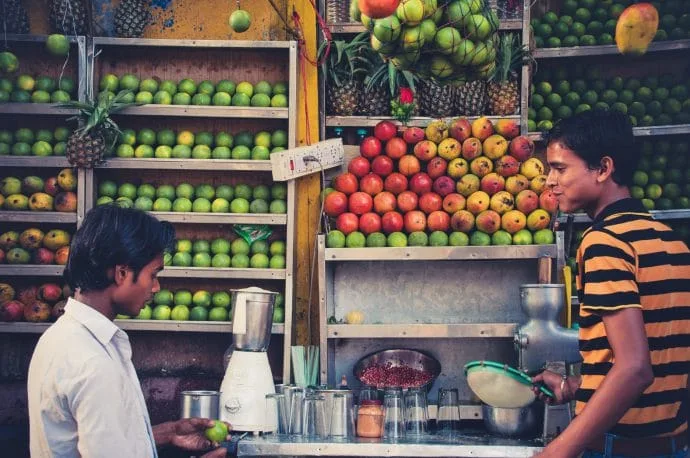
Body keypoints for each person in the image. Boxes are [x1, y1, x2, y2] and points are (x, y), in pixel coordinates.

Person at [531, 110, 690, 458]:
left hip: (619, 450)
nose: (548, 181)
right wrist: (576, 387)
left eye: (560, 169)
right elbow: (661, 358)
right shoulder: (672, 243)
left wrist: (557, 452)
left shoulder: (605, 242)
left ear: (603, 169)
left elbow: (635, 369)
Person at [27, 205, 230, 457]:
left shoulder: (60, 338)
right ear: (122, 273)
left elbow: (99, 441)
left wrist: (166, 433)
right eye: (153, 274)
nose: (155, 287)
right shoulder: (92, 362)